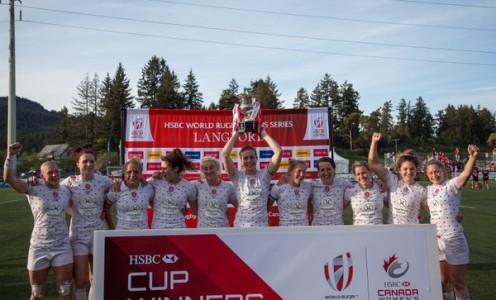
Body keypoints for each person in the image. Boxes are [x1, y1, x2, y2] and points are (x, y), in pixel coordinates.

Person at [3, 143, 73, 300]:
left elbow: (73, 208)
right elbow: (9, 178)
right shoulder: (33, 187)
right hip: (39, 247)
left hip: (62, 246)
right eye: (50, 172)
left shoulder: (65, 190)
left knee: (64, 290)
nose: (55, 175)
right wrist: (11, 156)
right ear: (42, 175)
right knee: (37, 293)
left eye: (56, 171)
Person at [425, 144, 479, 300]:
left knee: (458, 283)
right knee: (444, 282)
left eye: (437, 171)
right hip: (436, 240)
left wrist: (472, 157)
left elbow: (466, 174)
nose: (434, 175)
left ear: (444, 171)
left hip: (454, 238)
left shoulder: (451, 186)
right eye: (430, 173)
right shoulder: (427, 190)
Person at [61, 147, 113, 300]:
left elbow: (120, 191)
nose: (89, 164)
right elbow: (57, 195)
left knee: (97, 279)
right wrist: (74, 212)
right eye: (85, 161)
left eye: (92, 161)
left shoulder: (104, 181)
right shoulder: (69, 182)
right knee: (81, 281)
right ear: (78, 164)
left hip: (98, 234)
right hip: (78, 236)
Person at [221, 127, 282, 227]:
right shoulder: (237, 176)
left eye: (252, 157)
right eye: (245, 158)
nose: (249, 160)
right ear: (241, 161)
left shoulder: (265, 175)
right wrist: (236, 134)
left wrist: (263, 133)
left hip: (262, 226)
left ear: (257, 158)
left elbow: (278, 152)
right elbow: (224, 154)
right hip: (241, 226)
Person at [368, 132, 429, 224]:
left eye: (412, 169)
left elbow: (433, 214)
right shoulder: (392, 181)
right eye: (405, 169)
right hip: (393, 234)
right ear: (399, 170)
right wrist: (374, 142)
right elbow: (372, 164)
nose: (408, 172)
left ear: (417, 170)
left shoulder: (422, 191)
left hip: (412, 234)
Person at [148, 148, 197, 228]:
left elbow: (196, 211)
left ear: (175, 169)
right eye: (162, 168)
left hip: (178, 231)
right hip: (157, 230)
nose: (162, 171)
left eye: (165, 168)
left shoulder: (189, 187)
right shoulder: (155, 181)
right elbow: (141, 188)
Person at [106, 157, 154, 230]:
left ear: (141, 173)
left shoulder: (148, 188)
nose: (132, 175)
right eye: (129, 172)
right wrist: (111, 228)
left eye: (136, 172)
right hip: (122, 234)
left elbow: (156, 207)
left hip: (143, 235)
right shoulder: (116, 189)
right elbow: (106, 209)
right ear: (124, 173)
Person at [192, 156, 237, 227]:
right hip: (203, 230)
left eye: (211, 167)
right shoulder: (197, 185)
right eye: (205, 169)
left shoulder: (228, 187)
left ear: (217, 168)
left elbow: (241, 206)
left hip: (222, 230)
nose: (209, 171)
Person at [269, 160, 312, 226]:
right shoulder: (278, 187)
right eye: (299, 171)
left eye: (304, 172)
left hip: (304, 230)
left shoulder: (308, 187)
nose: (302, 175)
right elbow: (266, 208)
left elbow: (310, 205)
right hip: (286, 231)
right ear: (290, 171)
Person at [310, 157, 351, 226]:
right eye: (322, 170)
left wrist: (340, 207)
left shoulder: (344, 184)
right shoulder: (312, 185)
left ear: (334, 169)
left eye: (328, 169)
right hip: (317, 228)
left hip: (337, 227)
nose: (326, 173)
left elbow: (356, 192)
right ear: (319, 172)